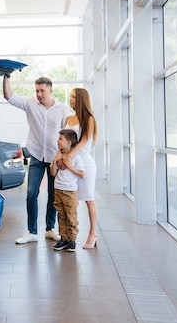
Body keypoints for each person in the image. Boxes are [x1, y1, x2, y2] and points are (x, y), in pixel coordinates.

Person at [4, 75, 69, 244]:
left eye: (42, 91)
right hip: (36, 155)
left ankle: (49, 229)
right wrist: (7, 77)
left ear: (50, 90)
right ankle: (32, 231)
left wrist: (63, 156)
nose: (39, 94)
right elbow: (9, 96)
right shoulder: (30, 104)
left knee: (53, 195)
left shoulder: (62, 110)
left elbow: (68, 135)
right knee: (31, 193)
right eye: (37, 91)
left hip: (54, 157)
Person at [62, 88, 99, 249]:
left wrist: (69, 156)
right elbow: (63, 140)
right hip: (69, 163)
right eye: (70, 96)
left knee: (89, 200)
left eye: (74, 97)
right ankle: (68, 236)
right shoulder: (68, 118)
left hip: (84, 162)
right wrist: (61, 157)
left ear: (81, 100)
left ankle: (93, 234)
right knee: (69, 200)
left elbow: (83, 141)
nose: (70, 99)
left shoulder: (89, 119)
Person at [50, 129, 85, 252]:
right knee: (61, 215)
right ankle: (63, 238)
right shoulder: (58, 155)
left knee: (71, 217)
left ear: (69, 142)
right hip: (58, 189)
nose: (57, 141)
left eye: (60, 139)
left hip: (70, 192)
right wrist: (55, 160)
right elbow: (53, 173)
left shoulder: (75, 158)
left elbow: (82, 174)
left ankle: (72, 240)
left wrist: (69, 166)